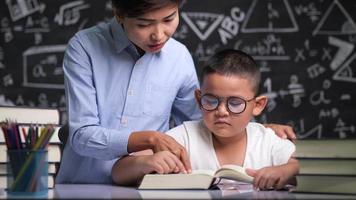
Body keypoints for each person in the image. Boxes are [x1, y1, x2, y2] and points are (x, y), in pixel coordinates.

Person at [57, 0, 296, 184]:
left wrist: (252, 127)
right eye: (143, 24)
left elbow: (202, 120)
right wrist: (150, 138)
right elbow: (82, 137)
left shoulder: (179, 56)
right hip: (84, 184)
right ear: (119, 14)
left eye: (169, 19)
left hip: (147, 185)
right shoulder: (84, 47)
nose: (159, 35)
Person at [112, 49, 299, 190]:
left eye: (235, 103)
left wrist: (285, 171)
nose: (222, 111)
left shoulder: (266, 140)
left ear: (257, 105)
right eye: (211, 101)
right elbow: (118, 172)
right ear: (198, 99)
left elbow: (305, 167)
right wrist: (146, 163)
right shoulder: (184, 136)